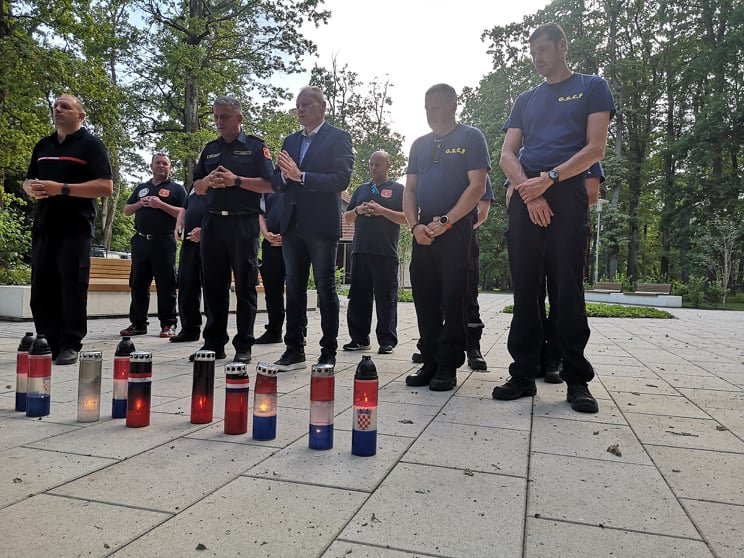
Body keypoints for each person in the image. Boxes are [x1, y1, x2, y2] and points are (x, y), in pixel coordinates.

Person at [492, 23, 615, 413]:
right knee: (526, 290)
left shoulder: (592, 87)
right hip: (527, 191)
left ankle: (577, 380)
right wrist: (529, 192)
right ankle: (523, 374)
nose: (537, 59)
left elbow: (595, 148)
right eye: (533, 53)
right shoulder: (525, 99)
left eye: (543, 50)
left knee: (567, 290)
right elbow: (507, 155)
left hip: (565, 190)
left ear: (562, 46)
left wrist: (550, 179)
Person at [403, 83, 490, 391]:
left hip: (457, 228)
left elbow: (477, 186)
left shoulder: (471, 137)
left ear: (453, 105)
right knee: (424, 295)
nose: (431, 113)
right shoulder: (419, 145)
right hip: (423, 229)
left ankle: (447, 364)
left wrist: (447, 220)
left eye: (437, 106)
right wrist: (415, 226)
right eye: (427, 107)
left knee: (454, 296)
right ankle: (429, 359)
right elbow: (410, 190)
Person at [22, 94, 113, 365]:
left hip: (75, 227)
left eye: (65, 107)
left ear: (80, 116)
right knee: (41, 287)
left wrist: (61, 189)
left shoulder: (91, 145)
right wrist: (29, 188)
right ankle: (46, 340)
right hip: (44, 225)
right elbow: (28, 180)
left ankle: (70, 343)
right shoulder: (44, 144)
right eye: (56, 106)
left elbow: (106, 186)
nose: (58, 109)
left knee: (72, 287)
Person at [270, 86, 354, 371]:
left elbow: (341, 179)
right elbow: (276, 181)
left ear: (322, 106)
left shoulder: (338, 138)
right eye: (298, 105)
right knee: (293, 288)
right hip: (292, 224)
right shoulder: (290, 141)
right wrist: (285, 176)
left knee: (325, 287)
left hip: (321, 225)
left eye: (306, 104)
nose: (301, 109)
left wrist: (301, 176)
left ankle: (328, 351)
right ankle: (294, 349)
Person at [191, 96, 275, 363]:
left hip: (244, 222)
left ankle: (244, 345)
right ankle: (214, 343)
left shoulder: (256, 147)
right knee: (213, 285)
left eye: (224, 117)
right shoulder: (210, 149)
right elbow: (197, 187)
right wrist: (208, 180)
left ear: (239, 118)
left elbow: (270, 185)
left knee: (245, 285)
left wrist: (235, 180)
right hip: (213, 222)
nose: (219, 122)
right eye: (216, 117)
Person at [538, 163, 605, 383]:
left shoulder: (583, 154)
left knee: (564, 296)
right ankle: (534, 357)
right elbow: (512, 192)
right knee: (531, 298)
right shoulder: (529, 154)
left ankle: (556, 358)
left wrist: (555, 201)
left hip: (568, 227)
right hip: (532, 227)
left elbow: (592, 193)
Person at [342, 150, 406, 355]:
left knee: (386, 298)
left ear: (389, 165)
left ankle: (387, 341)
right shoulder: (362, 189)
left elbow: (408, 218)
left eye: (378, 164)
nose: (373, 167)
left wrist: (382, 211)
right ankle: (359, 339)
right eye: (371, 164)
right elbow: (347, 218)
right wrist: (358, 210)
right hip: (360, 250)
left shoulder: (398, 189)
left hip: (386, 252)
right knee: (358, 298)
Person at [120, 153, 186, 338]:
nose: (161, 166)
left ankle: (168, 324)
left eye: (165, 163)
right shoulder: (142, 188)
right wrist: (140, 203)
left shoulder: (176, 189)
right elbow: (126, 210)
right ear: (151, 166)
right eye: (158, 163)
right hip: (141, 241)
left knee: (166, 284)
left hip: (164, 241)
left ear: (170, 167)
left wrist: (161, 205)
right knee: (138, 284)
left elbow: (185, 212)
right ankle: (138, 323)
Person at [170, 186, 209, 342]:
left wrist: (205, 230)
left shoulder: (219, 181)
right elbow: (184, 208)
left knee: (212, 290)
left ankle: (213, 334)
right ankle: (189, 329)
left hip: (211, 242)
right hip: (189, 243)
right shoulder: (194, 187)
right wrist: (179, 224)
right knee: (187, 286)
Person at [465, 176, 495, 370]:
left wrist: (453, 226)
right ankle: (430, 347)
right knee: (434, 298)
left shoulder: (478, 172)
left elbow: (482, 212)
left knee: (469, 297)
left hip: (465, 240)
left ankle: (473, 348)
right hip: (433, 240)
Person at [256, 192, 286, 344]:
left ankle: (299, 332)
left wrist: (288, 236)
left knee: (297, 289)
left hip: (294, 243)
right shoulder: (268, 184)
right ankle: (274, 331)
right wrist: (265, 234)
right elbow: (260, 213)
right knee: (272, 289)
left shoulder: (299, 182)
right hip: (270, 243)